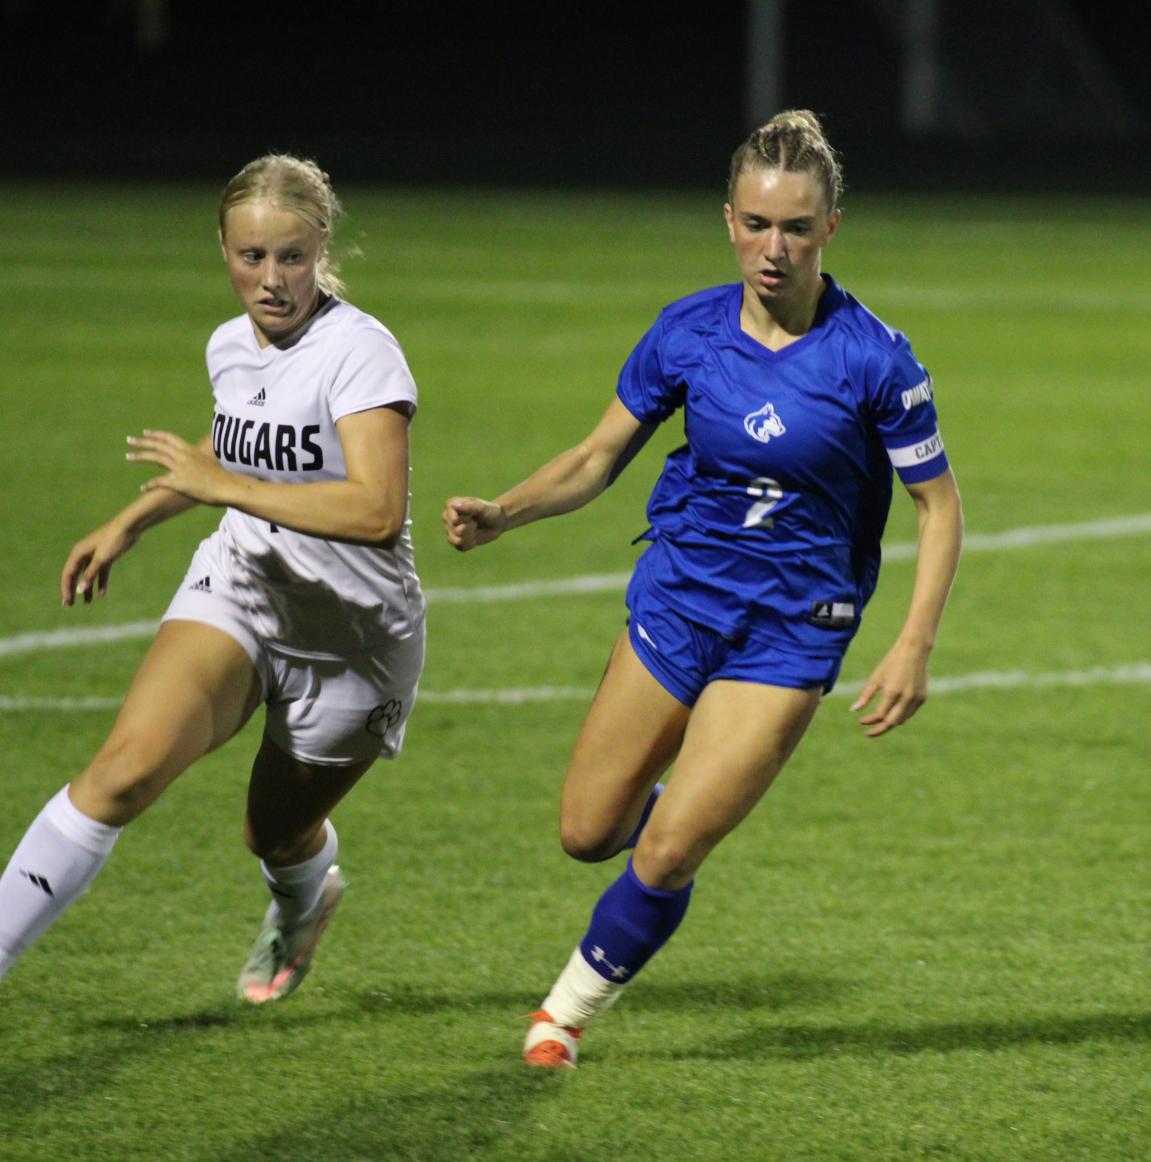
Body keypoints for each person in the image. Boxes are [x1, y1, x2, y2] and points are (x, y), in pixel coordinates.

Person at [442, 110, 963, 1068]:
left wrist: (913, 642)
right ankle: (676, 819)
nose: (775, 249)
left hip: (792, 631)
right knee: (585, 831)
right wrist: (505, 512)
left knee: (670, 850)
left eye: (796, 228)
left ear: (830, 229)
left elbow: (938, 507)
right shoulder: (686, 332)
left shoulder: (875, 359)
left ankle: (560, 1015)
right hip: (679, 602)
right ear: (729, 221)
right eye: (757, 225)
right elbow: (598, 456)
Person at [0, 154, 424, 995]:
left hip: (351, 638)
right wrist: (131, 520)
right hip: (242, 588)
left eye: (291, 257)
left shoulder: (360, 354)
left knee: (274, 834)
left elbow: (375, 511)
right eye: (250, 257)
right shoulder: (229, 345)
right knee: (120, 773)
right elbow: (229, 449)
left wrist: (223, 485)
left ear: (322, 247)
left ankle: (304, 900)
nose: (270, 281)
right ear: (224, 250)